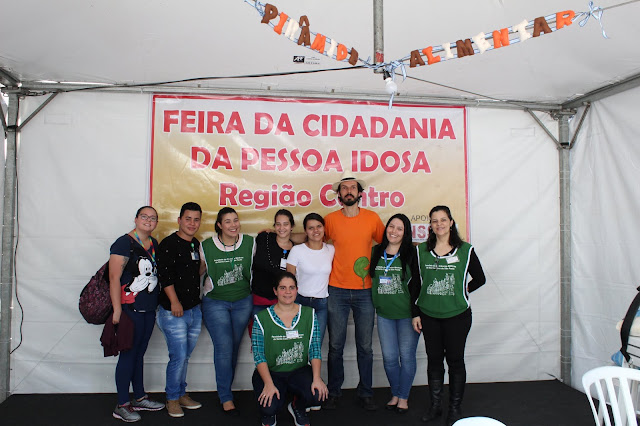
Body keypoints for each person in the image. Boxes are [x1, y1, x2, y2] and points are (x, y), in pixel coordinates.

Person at [410, 205, 486, 426]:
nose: (439, 224)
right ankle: (436, 406)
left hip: (458, 316)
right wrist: (415, 314)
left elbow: (480, 278)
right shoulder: (421, 251)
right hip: (429, 315)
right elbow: (415, 285)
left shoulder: (465, 250)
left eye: (443, 220)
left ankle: (454, 408)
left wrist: (463, 290)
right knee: (434, 362)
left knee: (455, 361)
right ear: (430, 225)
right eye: (434, 221)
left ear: (451, 222)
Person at [322, 172, 385, 411]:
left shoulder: (372, 218)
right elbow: (312, 237)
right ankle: (334, 392)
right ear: (339, 194)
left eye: (353, 188)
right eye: (344, 188)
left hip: (365, 291)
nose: (349, 191)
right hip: (336, 290)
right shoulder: (330, 220)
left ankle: (366, 392)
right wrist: (278, 233)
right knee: (335, 346)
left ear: (360, 193)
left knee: (365, 347)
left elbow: (388, 243)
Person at [109, 206, 165, 422]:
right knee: (128, 355)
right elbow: (114, 278)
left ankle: (139, 397)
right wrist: (117, 310)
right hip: (129, 310)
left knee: (139, 353)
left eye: (153, 218)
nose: (148, 221)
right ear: (135, 219)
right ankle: (122, 404)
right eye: (144, 217)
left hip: (148, 309)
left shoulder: (154, 243)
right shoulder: (124, 243)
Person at [252, 271, 328, 426]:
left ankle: (296, 406)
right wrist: (268, 384)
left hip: (298, 370)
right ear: (275, 291)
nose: (288, 292)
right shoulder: (261, 318)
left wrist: (317, 378)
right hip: (272, 372)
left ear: (297, 290)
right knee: (269, 406)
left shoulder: (309, 314)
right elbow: (259, 355)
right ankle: (270, 413)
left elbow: (314, 349)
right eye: (283, 288)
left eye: (291, 288)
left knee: (317, 395)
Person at [200, 207, 255, 416]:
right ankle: (225, 396)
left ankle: (226, 389)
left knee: (233, 347)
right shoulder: (206, 246)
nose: (233, 225)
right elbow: (195, 272)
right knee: (223, 347)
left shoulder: (250, 243)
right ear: (219, 225)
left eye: (236, 220)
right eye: (228, 221)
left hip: (243, 301)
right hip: (216, 302)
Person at [156, 202, 206, 417]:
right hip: (173, 311)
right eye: (188, 219)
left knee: (185, 356)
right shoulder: (168, 244)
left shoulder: (195, 244)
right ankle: (172, 399)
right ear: (179, 220)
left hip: (194, 309)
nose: (192, 223)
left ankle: (181, 393)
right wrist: (174, 301)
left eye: (196, 219)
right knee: (178, 356)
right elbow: (164, 276)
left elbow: (194, 273)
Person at [369, 213, 420, 414]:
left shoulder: (412, 253)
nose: (394, 231)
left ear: (405, 233)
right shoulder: (376, 251)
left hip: (407, 315)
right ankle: (396, 393)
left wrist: (417, 313)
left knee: (406, 357)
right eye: (391, 226)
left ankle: (403, 397)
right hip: (384, 314)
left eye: (400, 228)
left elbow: (418, 285)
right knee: (389, 358)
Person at [286, 212, 334, 347]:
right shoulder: (297, 250)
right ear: (305, 231)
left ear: (324, 228)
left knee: (316, 345)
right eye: (311, 228)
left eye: (319, 226)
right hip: (300, 302)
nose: (315, 231)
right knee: (297, 345)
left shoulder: (331, 250)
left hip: (321, 304)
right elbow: (289, 280)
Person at [252, 209, 295, 318]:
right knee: (258, 328)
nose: (281, 228)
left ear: (292, 226)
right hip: (258, 300)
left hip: (281, 303)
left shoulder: (296, 250)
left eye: (285, 224)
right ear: (274, 226)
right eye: (278, 224)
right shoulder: (264, 238)